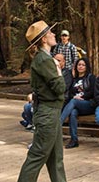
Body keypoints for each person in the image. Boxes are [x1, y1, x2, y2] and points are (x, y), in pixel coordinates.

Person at [18, 20, 66, 182]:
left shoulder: (45, 58)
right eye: (50, 32)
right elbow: (60, 88)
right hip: (47, 113)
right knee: (38, 154)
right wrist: (58, 69)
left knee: (55, 158)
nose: (54, 34)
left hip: (52, 112)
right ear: (44, 39)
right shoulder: (45, 60)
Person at [59, 58, 96, 149]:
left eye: (83, 65)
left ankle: (59, 124)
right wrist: (74, 97)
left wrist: (82, 97)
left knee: (74, 101)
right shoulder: (74, 79)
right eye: (79, 65)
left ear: (86, 67)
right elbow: (71, 93)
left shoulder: (91, 77)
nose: (81, 67)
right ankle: (74, 140)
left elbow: (93, 92)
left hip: (88, 104)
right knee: (73, 113)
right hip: (76, 105)